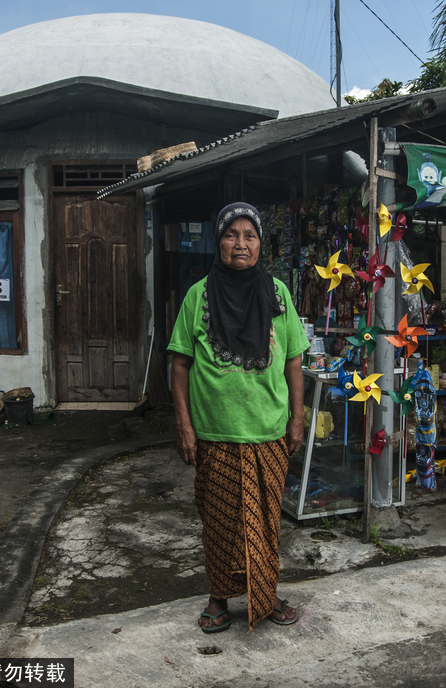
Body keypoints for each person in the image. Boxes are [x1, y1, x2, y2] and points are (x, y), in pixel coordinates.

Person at [168, 202, 309, 633]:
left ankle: (266, 594)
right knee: (220, 521)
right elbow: (179, 366)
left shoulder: (279, 295)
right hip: (216, 431)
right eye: (232, 234)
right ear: (219, 241)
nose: (241, 244)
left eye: (250, 235)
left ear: (261, 244)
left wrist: (297, 419)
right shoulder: (198, 296)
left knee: (266, 521)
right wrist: (184, 425)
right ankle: (218, 598)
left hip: (268, 430)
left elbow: (293, 365)